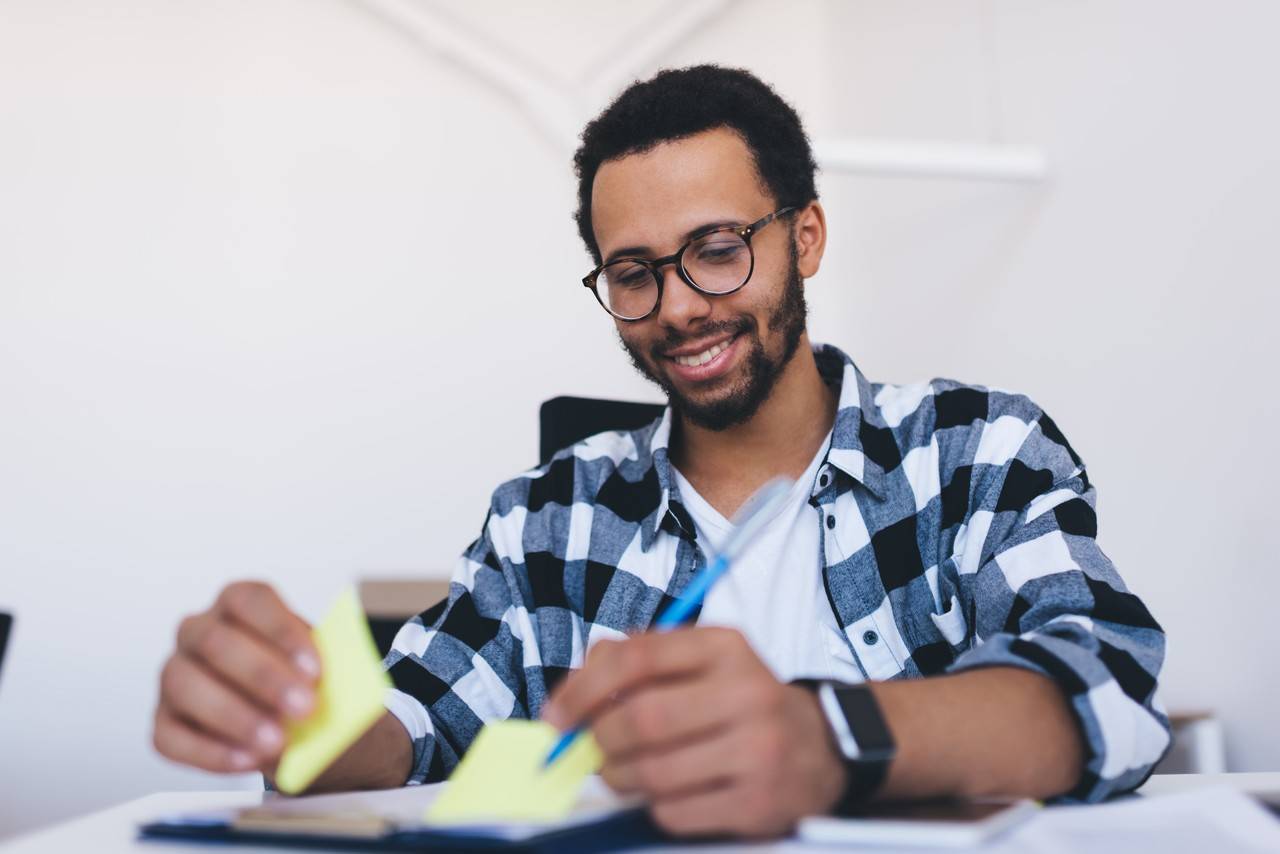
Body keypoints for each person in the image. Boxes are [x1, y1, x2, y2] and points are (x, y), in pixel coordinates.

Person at [152, 65, 1170, 838]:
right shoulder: (548, 516)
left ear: (803, 236)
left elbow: (1099, 684)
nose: (679, 306)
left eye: (717, 250)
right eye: (632, 273)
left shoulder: (972, 452)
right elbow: (415, 727)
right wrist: (294, 718)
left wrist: (824, 739)